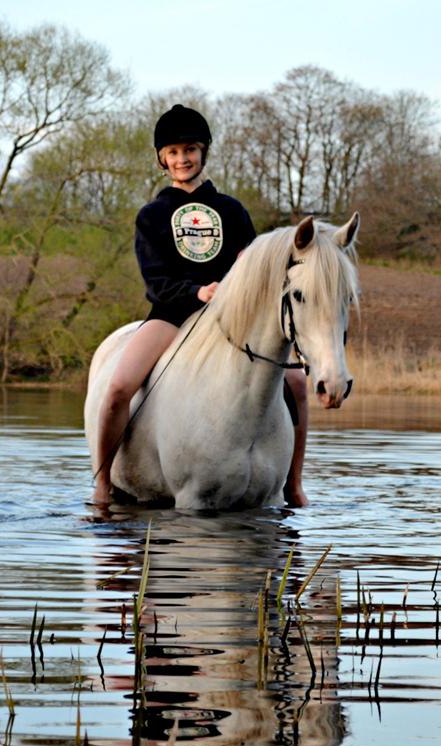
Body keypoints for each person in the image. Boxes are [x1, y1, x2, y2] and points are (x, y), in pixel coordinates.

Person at [91, 104, 311, 508]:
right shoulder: (152, 215)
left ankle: (293, 484)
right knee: (119, 386)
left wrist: (229, 291)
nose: (182, 159)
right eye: (173, 152)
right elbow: (155, 280)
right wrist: (197, 292)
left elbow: (255, 270)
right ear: (162, 158)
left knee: (296, 383)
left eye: (190, 149)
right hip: (172, 313)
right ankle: (103, 483)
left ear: (204, 151)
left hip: (231, 318)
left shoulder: (232, 210)